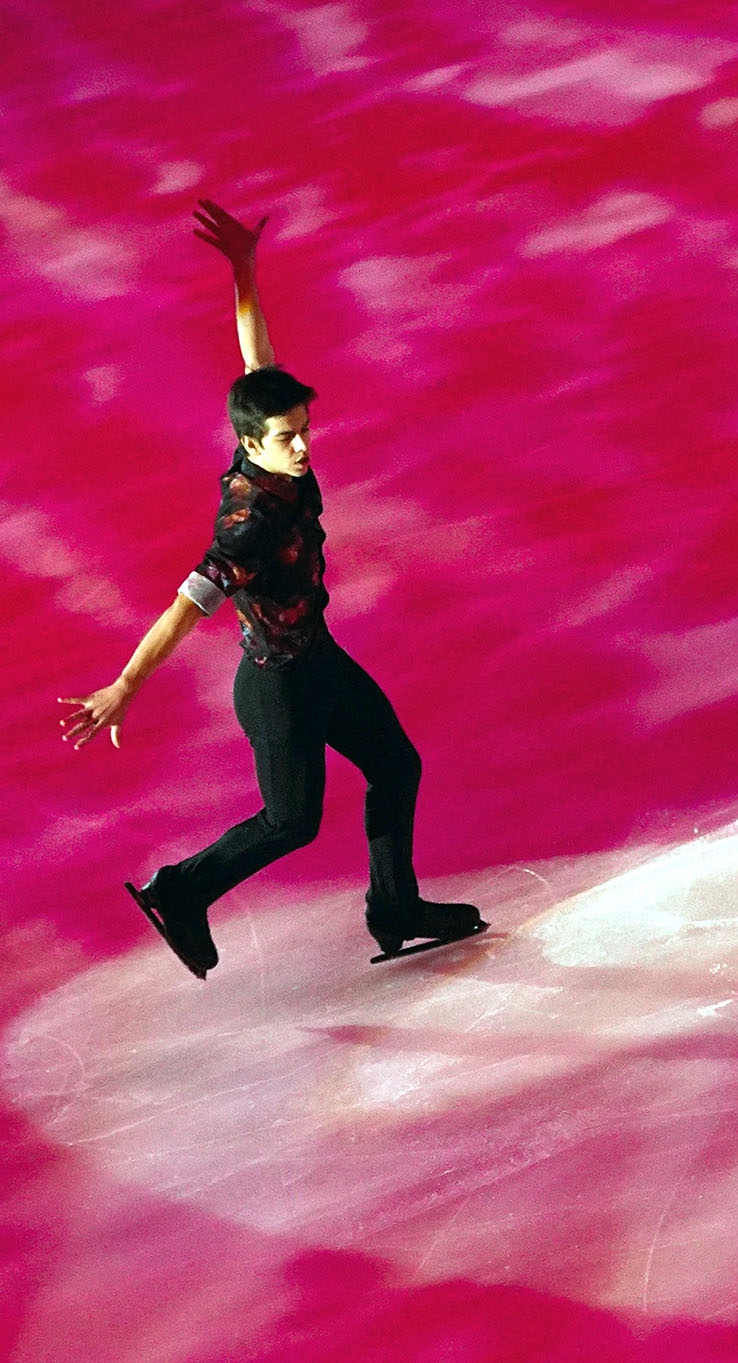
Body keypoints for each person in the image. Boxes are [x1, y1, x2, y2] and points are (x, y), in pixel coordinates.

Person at [58, 199, 485, 977]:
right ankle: (179, 889)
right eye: (288, 436)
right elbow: (186, 605)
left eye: (305, 429)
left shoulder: (268, 440)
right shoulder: (246, 524)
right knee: (292, 822)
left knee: (396, 765)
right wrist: (125, 684)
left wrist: (245, 272)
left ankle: (396, 908)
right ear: (252, 443)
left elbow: (259, 362)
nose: (303, 445)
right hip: (278, 684)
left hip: (317, 658)